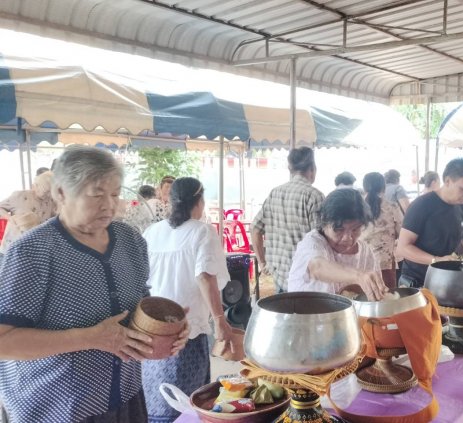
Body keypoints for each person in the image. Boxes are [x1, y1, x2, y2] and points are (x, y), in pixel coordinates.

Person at [0, 146, 188, 423]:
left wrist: (168, 330)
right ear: (61, 193)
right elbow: (4, 340)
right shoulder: (33, 250)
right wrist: (91, 337)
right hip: (56, 408)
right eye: (96, 194)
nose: (109, 205)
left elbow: (138, 306)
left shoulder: (130, 240)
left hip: (125, 397)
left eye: (114, 194)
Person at [141, 177, 232, 422]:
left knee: (157, 392)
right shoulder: (202, 231)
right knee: (188, 401)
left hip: (152, 329)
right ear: (199, 201)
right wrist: (220, 320)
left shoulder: (152, 232)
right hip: (187, 329)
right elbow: (204, 276)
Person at [396, 158, 463, 288]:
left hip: (448, 280)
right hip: (417, 282)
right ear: (447, 181)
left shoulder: (462, 208)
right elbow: (403, 247)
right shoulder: (422, 205)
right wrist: (436, 260)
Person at [288, 188, 388, 301]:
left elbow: (374, 293)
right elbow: (317, 267)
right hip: (306, 315)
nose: (348, 238)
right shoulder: (312, 243)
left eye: (355, 229)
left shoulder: (365, 252)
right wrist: (358, 276)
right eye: (339, 230)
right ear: (324, 223)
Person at [252, 147, 325, 293]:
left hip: (279, 276)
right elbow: (322, 241)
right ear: (312, 168)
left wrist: (262, 262)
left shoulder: (275, 193)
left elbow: (255, 229)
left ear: (290, 169)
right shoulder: (314, 196)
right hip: (305, 279)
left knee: (284, 315)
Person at [0, 171, 56, 260]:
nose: (47, 195)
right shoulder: (20, 196)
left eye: (49, 192)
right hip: (11, 245)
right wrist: (11, 219)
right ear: (37, 186)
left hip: (34, 248)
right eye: (45, 191)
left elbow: (55, 221)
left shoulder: (51, 202)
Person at [361, 172, 403, 290]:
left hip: (361, 262)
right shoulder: (391, 206)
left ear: (365, 187)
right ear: (383, 188)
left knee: (364, 296)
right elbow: (402, 232)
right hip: (385, 262)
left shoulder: (357, 207)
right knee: (388, 297)